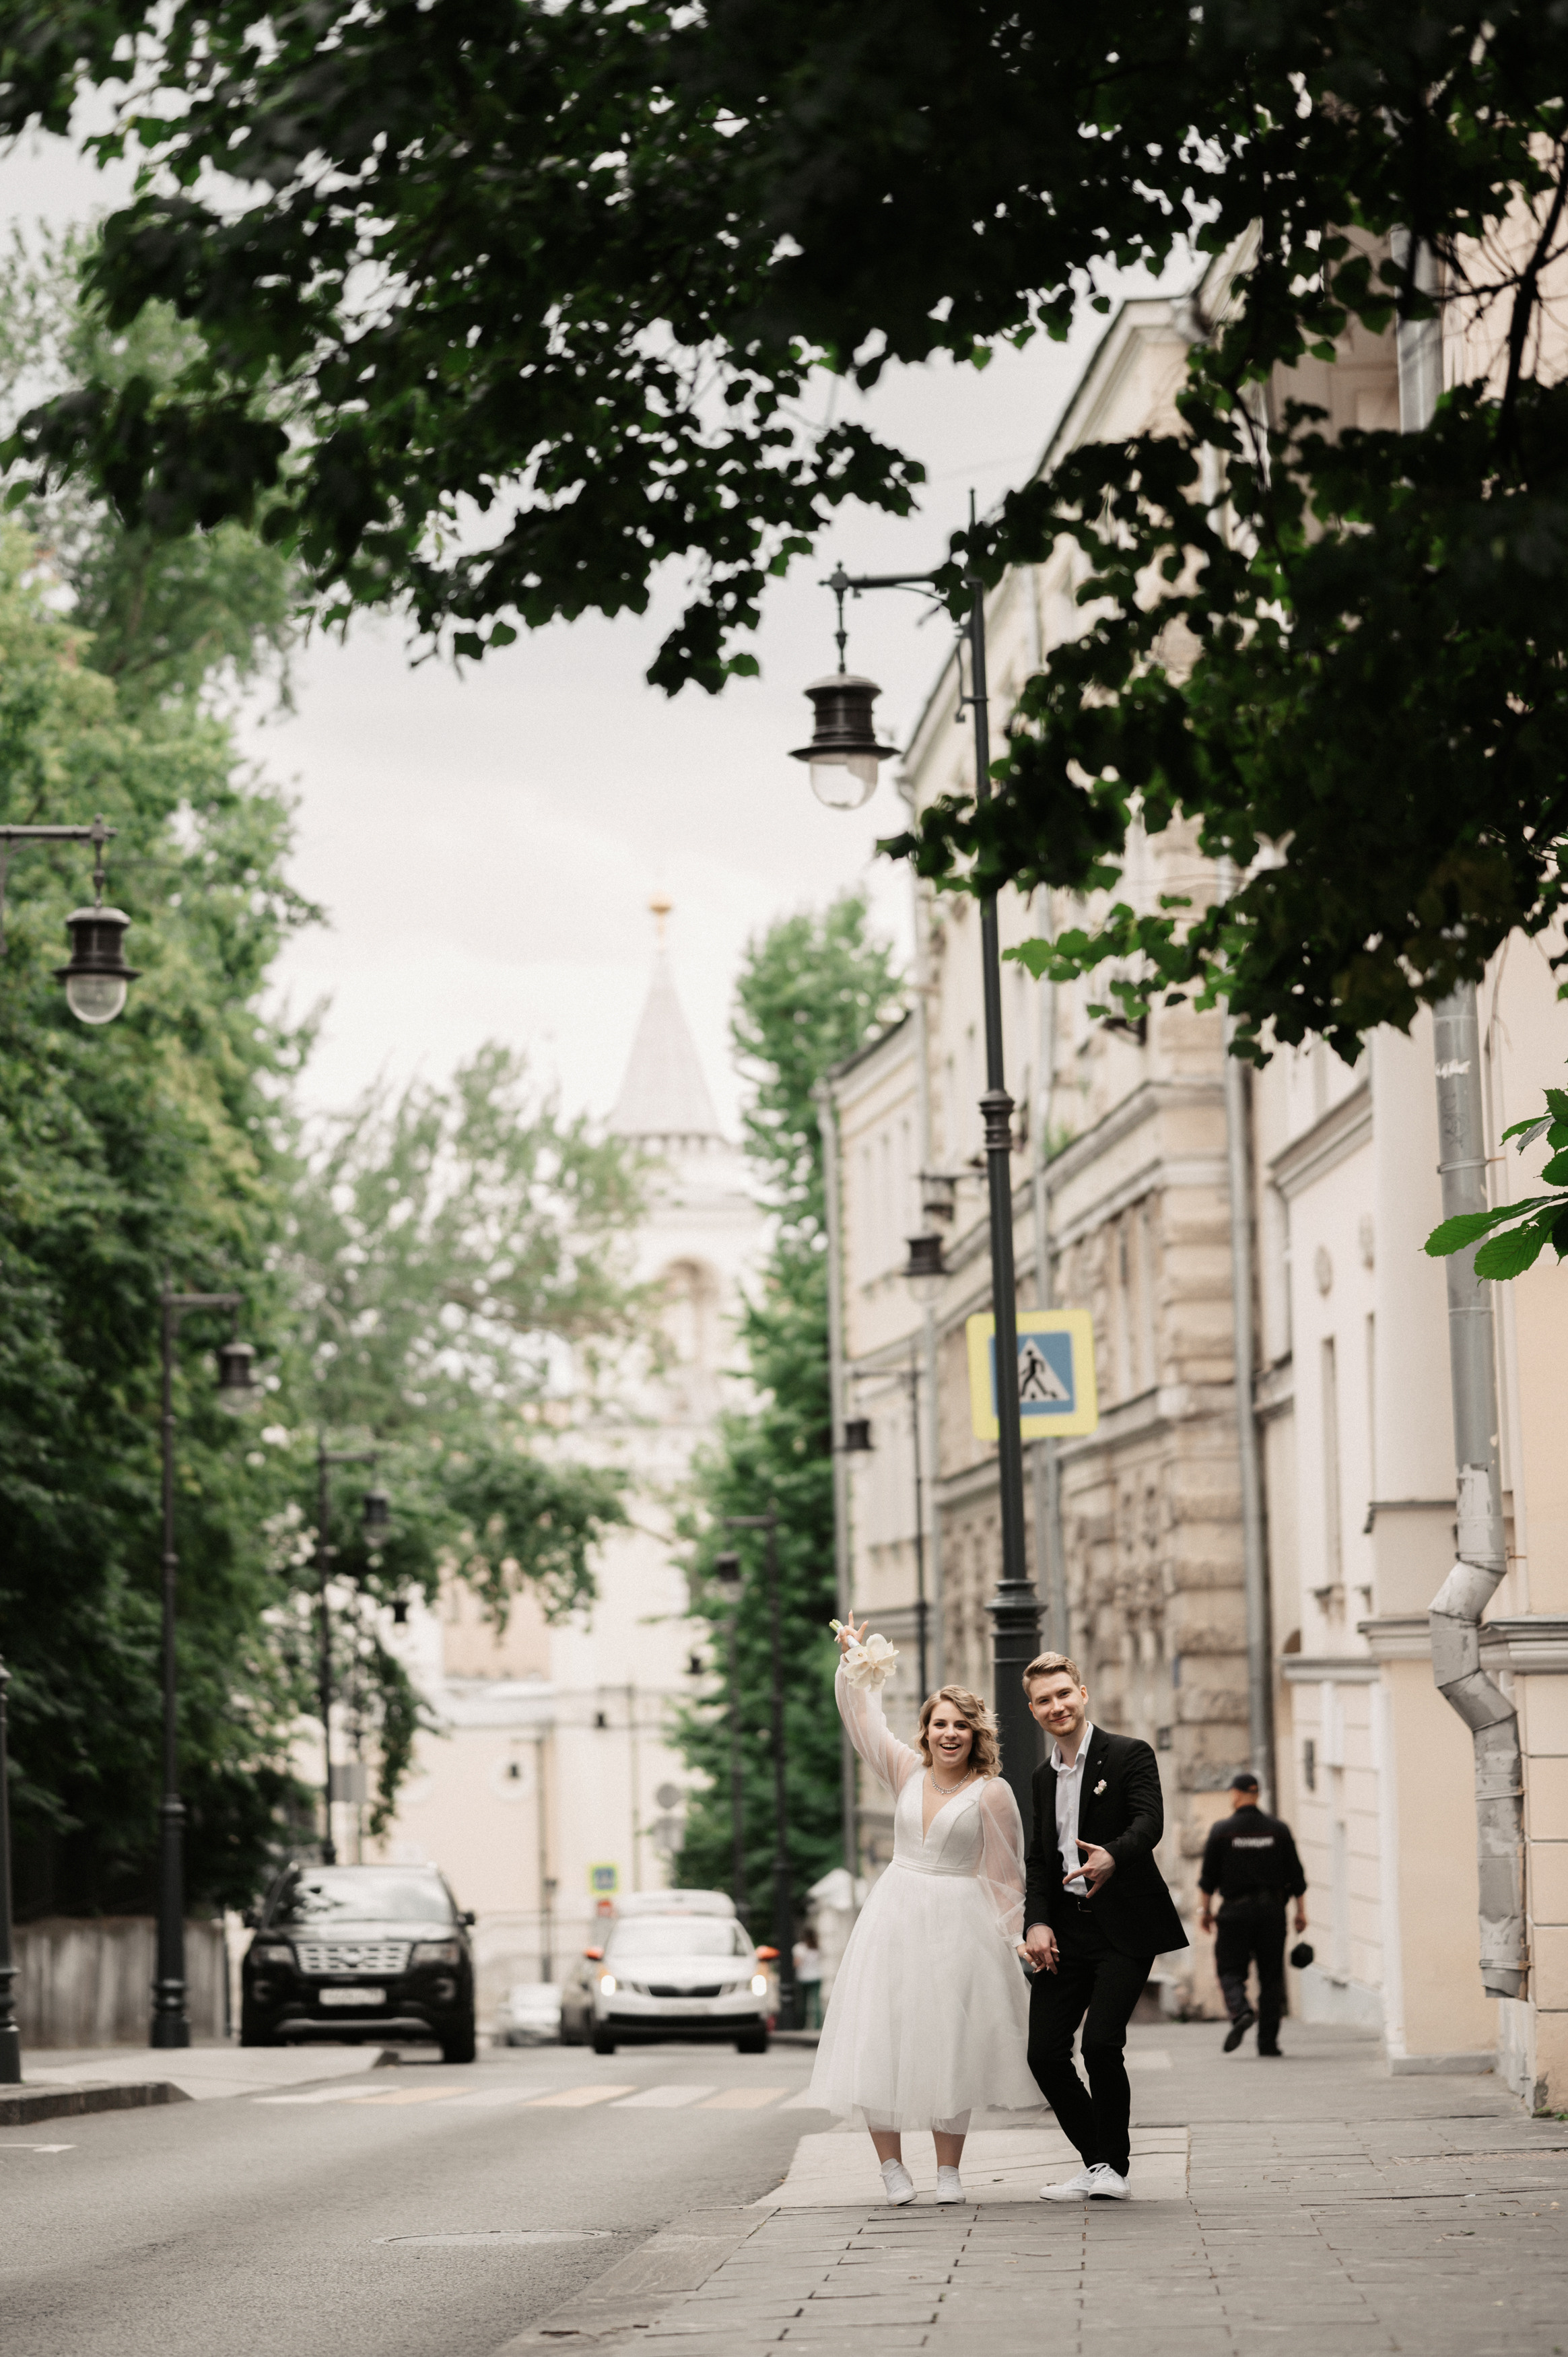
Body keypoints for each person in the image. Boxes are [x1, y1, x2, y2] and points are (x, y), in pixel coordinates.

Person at [809, 1618, 1042, 2207]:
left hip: (959, 1924)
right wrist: (856, 1662)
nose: (949, 1734)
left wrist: (1016, 1939)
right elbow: (863, 1722)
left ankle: (948, 2173)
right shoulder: (904, 1771)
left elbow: (1006, 1874)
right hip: (895, 1916)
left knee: (949, 2042)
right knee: (880, 2037)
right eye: (939, 1724)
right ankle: (890, 2168)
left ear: (976, 1734)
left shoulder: (992, 1792)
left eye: (960, 1726)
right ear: (925, 1731)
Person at [1023, 1651, 1188, 2203]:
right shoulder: (1040, 1778)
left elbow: (1149, 1821)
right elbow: (1039, 1862)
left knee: (1099, 2045)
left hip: (1123, 1925)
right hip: (1064, 1932)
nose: (1056, 1706)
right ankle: (1098, 2162)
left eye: (1063, 1694)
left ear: (1083, 1693)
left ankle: (1111, 2167)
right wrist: (1038, 1921)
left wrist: (1113, 1856)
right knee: (1044, 2053)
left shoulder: (1127, 1755)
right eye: (1044, 1700)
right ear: (1033, 1710)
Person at [1198, 1771, 1307, 2057]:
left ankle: (1242, 2010)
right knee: (1271, 1977)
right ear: (1257, 1794)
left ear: (1235, 1794)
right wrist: (1301, 1913)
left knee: (1229, 1970)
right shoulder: (1278, 1829)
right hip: (1273, 1911)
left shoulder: (1221, 1830)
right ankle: (1268, 2044)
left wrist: (1204, 1911)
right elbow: (1296, 1876)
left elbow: (1208, 1877)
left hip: (1235, 1911)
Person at [793, 1928, 824, 2031]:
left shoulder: (799, 1948)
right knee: (816, 2002)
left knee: (803, 2003)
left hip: (804, 1978)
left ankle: (803, 2025)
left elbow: (797, 1964)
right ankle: (817, 2025)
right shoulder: (817, 1947)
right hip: (816, 1977)